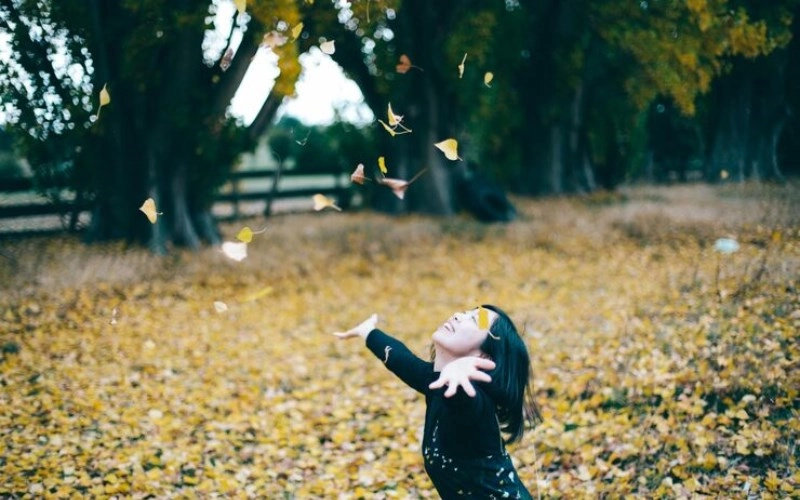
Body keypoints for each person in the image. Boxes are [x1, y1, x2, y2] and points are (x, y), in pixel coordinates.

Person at [333, 305, 542, 499]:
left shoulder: (474, 405)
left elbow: (464, 405)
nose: (458, 315)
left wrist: (458, 377)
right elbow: (400, 359)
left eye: (474, 320)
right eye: (467, 312)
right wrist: (368, 332)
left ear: (484, 357)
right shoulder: (434, 382)